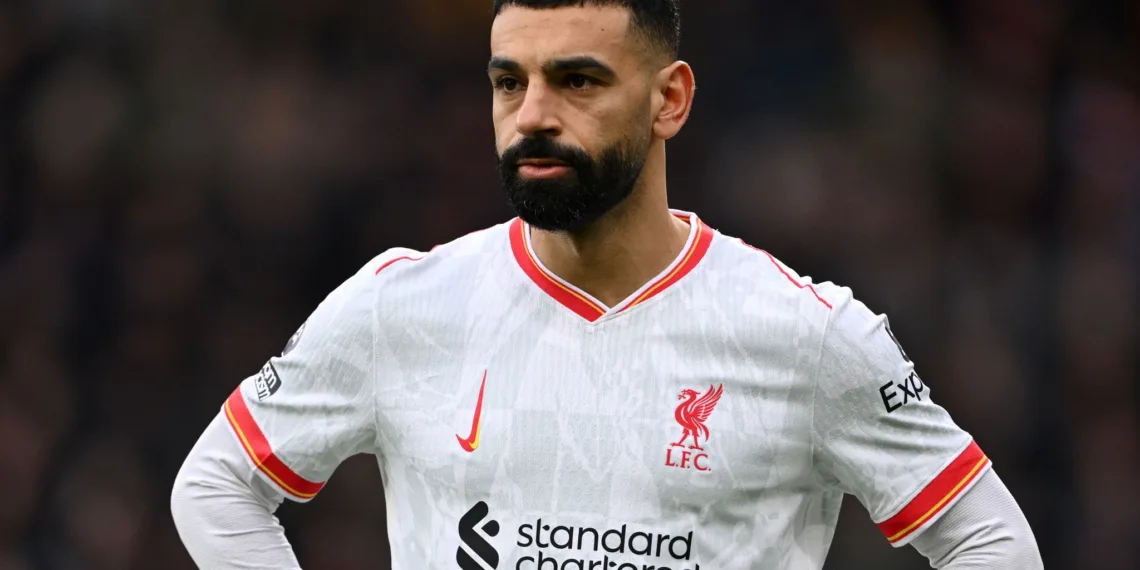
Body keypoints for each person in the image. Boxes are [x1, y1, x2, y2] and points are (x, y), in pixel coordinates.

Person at [170, 1, 1044, 568]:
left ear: (671, 100)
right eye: (509, 82)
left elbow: (990, 540)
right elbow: (216, 485)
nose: (534, 114)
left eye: (578, 80)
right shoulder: (404, 305)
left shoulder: (803, 332)